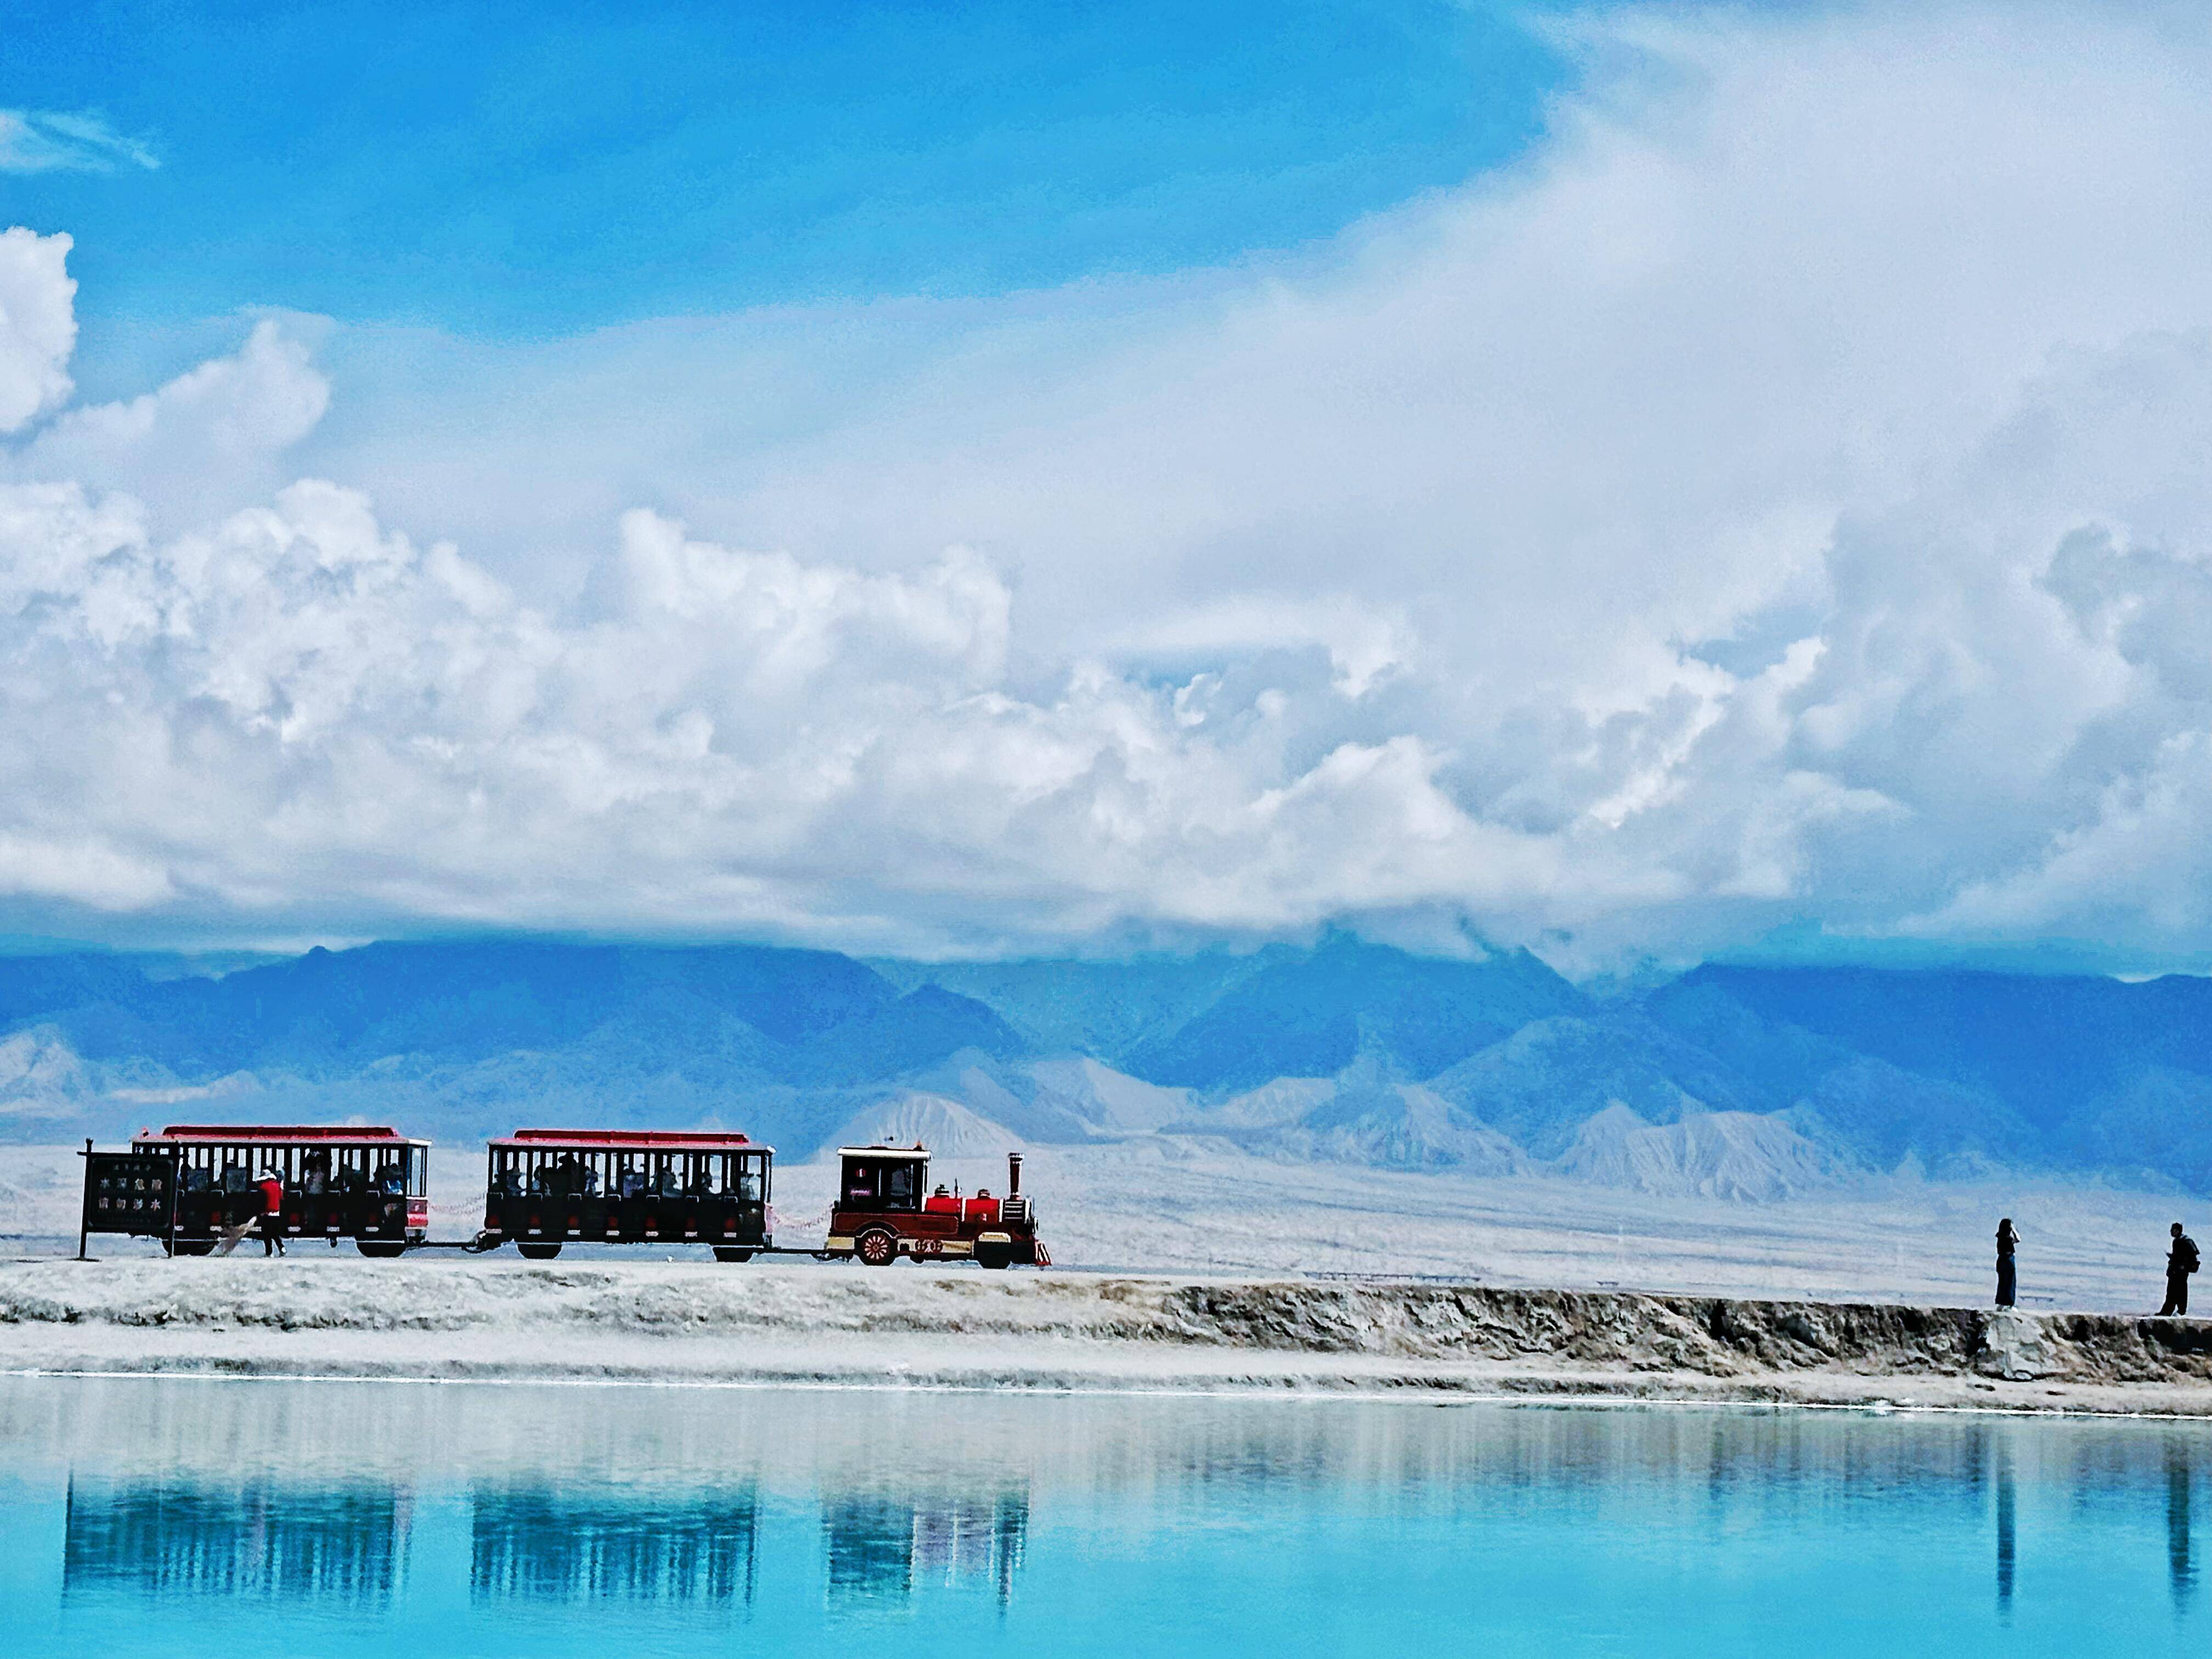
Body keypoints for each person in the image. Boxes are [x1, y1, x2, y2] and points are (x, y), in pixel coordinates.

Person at [2163, 1223, 2201, 1317]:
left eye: (2173, 1230)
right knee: (2172, 1292)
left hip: (2180, 1272)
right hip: (2175, 1271)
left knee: (2181, 1292)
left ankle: (2180, 1311)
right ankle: (2167, 1311)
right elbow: (2178, 1256)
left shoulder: (2185, 1241)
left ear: (2178, 1231)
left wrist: (2184, 1266)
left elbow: (2192, 1257)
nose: (2171, 1232)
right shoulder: (2177, 1241)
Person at [257, 1169, 286, 1257]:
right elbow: (281, 1198)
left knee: (267, 1235)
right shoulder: (277, 1186)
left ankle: (269, 1253)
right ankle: (282, 1248)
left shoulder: (262, 1188)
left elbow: (261, 1201)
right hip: (277, 1213)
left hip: (267, 1214)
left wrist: (260, 1213)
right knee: (275, 1233)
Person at [1995, 1218, 2019, 1308]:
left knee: (2002, 1282)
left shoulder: (2000, 1237)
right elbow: (2018, 1239)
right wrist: (2013, 1229)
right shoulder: (2008, 1239)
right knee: (2010, 1282)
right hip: (2008, 1261)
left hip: (2001, 1261)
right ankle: (2009, 1303)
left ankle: (2001, 1303)